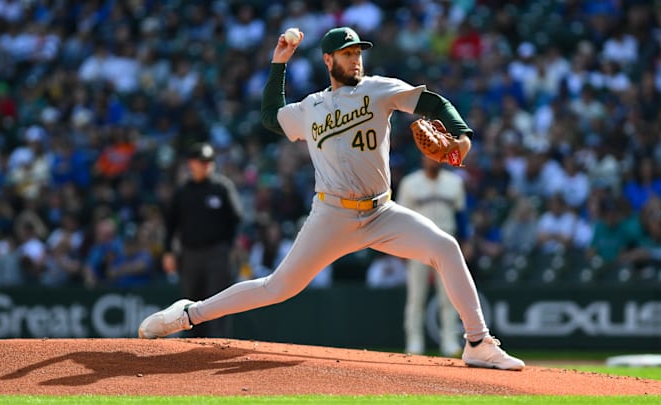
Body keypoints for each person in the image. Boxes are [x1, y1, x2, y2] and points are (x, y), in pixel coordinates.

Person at [139, 27, 524, 371]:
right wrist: (279, 64)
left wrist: (460, 137)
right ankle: (188, 314)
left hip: (381, 211)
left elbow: (435, 104)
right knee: (277, 288)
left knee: (446, 246)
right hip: (332, 215)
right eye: (347, 53)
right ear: (328, 59)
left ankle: (477, 343)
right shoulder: (311, 108)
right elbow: (272, 117)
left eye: (358, 52)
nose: (355, 59)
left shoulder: (378, 89)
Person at [161, 142, 243, 338]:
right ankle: (192, 348)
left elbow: (237, 217)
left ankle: (219, 344)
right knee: (191, 302)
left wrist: (230, 246)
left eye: (208, 161)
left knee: (219, 300)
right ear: (191, 163)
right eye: (201, 161)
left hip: (217, 253)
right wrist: (168, 252)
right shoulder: (182, 192)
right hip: (190, 254)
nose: (206, 165)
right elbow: (170, 224)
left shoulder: (221, 187)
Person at [397, 155, 466, 357]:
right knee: (416, 297)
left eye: (436, 156)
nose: (432, 160)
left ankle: (450, 342)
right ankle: (414, 344)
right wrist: (402, 247)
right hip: (418, 244)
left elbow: (461, 217)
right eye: (429, 157)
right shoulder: (410, 183)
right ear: (422, 159)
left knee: (449, 297)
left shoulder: (455, 183)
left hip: (446, 243)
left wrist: (466, 242)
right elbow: (402, 219)